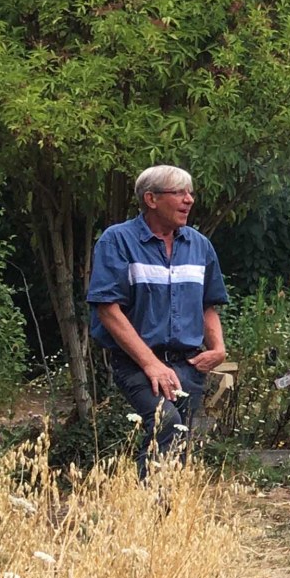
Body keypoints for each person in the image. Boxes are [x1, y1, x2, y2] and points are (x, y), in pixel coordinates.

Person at [88, 165, 228, 472]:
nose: (189, 200)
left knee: (178, 441)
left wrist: (217, 348)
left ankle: (166, 515)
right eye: (178, 193)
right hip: (139, 362)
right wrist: (152, 363)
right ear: (151, 199)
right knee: (165, 423)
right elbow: (107, 310)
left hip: (189, 366)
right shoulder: (118, 241)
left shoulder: (199, 245)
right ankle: (150, 510)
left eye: (190, 192)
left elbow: (208, 305)